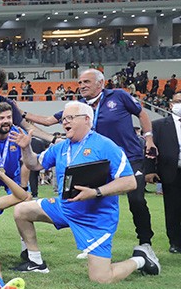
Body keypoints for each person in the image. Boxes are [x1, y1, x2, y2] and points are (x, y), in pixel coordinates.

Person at [10, 101, 160, 282]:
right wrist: (26, 148)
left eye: (70, 118)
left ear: (87, 119)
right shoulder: (61, 147)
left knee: (101, 278)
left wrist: (96, 192)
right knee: (22, 210)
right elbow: (34, 164)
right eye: (63, 119)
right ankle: (35, 262)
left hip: (95, 218)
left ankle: (141, 259)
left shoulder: (106, 146)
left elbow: (129, 182)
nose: (65, 122)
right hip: (65, 208)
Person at [25, 69, 156, 249]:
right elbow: (48, 121)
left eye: (86, 82)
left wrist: (148, 138)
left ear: (100, 83)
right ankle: (94, 242)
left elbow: (142, 113)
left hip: (129, 157)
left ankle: (145, 243)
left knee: (136, 200)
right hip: (97, 162)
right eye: (80, 83)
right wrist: (21, 114)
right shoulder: (78, 107)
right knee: (91, 198)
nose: (82, 86)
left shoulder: (118, 96)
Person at [145, 92, 181, 254]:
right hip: (170, 172)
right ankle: (175, 242)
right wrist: (150, 171)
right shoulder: (158, 125)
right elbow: (150, 149)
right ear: (171, 104)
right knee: (172, 209)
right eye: (178, 101)